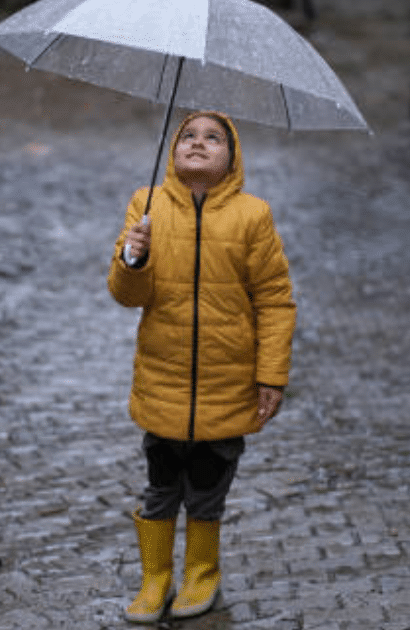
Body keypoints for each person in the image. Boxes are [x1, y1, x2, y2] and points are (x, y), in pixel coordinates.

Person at [107, 111, 296, 623]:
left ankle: (201, 574)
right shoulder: (145, 205)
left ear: (232, 159)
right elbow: (127, 296)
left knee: (208, 486)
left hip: (227, 382)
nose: (198, 143)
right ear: (172, 151)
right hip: (162, 380)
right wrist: (132, 258)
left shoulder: (252, 216)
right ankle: (155, 578)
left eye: (214, 138)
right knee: (161, 482)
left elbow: (275, 300)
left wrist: (271, 375)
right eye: (188, 135)